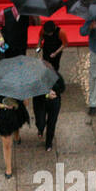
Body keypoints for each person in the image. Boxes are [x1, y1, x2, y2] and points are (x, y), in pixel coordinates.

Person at [34, 20, 66, 150]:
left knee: (52, 123)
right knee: (40, 121)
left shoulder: (57, 77)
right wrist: (39, 46)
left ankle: (49, 143)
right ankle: (40, 129)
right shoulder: (38, 77)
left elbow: (62, 87)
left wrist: (55, 94)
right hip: (41, 101)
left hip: (54, 102)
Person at [0, 95, 29, 179]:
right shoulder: (0, 89)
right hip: (5, 118)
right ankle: (8, 169)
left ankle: (17, 137)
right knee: (6, 145)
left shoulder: (3, 87)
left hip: (16, 114)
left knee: (17, 126)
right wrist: (4, 106)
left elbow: (26, 103)